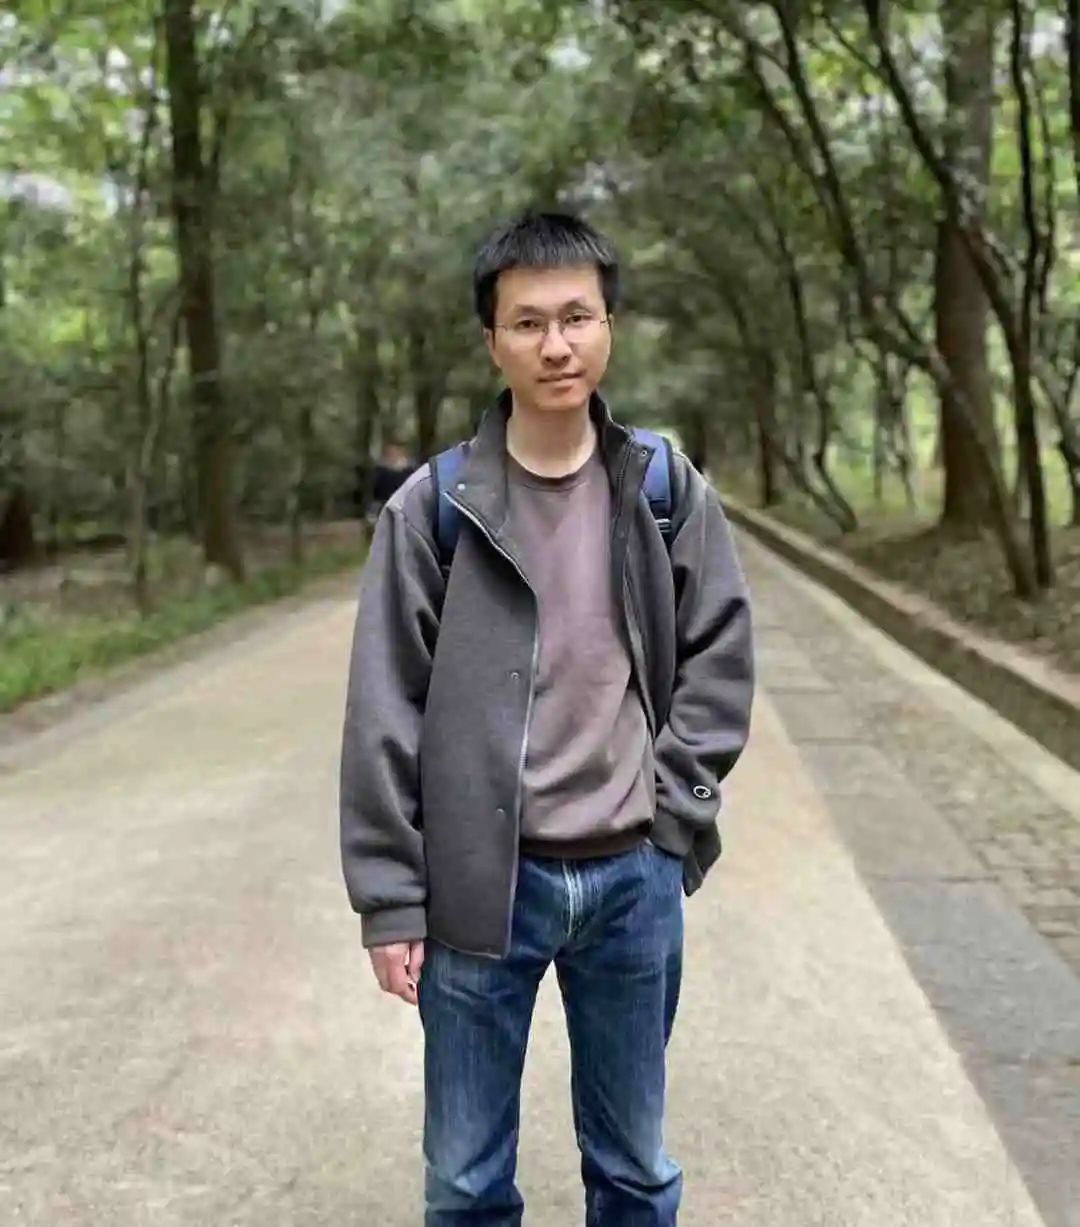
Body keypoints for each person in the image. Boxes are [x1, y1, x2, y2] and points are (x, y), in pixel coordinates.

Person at [339, 211, 755, 1226]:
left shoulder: (662, 487)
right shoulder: (433, 508)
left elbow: (720, 653)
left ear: (610, 325)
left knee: (635, 1168)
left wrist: (674, 812)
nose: (556, 344)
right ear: (493, 340)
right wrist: (392, 900)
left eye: (577, 317)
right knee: (465, 1181)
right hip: (482, 889)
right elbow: (384, 706)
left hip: (632, 879)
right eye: (528, 323)